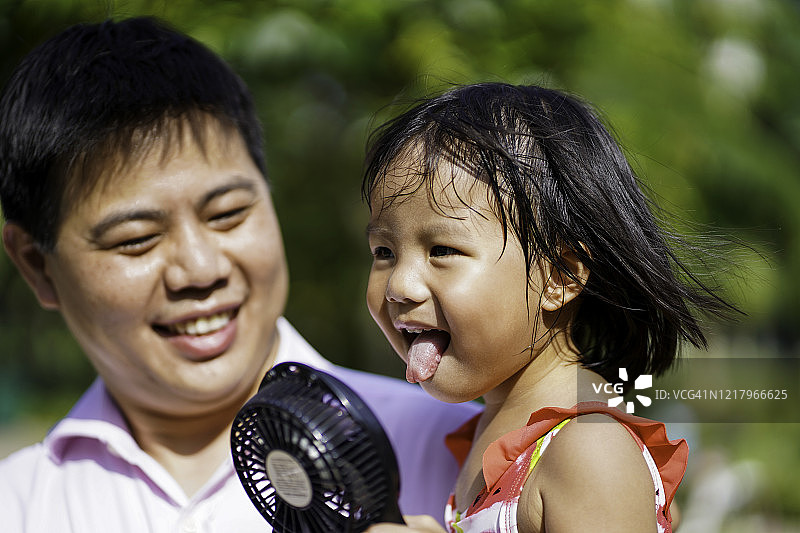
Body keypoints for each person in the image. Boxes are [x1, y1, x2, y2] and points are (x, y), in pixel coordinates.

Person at [0, 17, 482, 532]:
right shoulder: (20, 505)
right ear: (36, 265)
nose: (200, 269)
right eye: (136, 239)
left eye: (227, 214)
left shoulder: (469, 454)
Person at [361, 83, 738, 532]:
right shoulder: (489, 438)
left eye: (442, 249)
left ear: (560, 275)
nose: (399, 286)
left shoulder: (588, 451)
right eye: (384, 252)